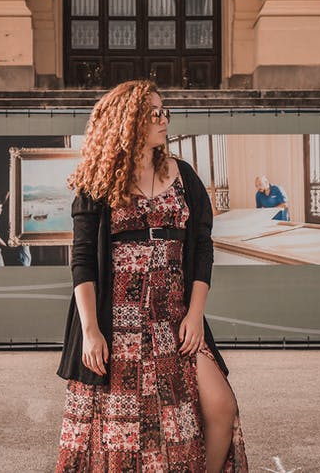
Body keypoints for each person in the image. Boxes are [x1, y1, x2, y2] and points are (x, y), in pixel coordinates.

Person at [56, 80, 246, 472]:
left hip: (173, 320)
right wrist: (91, 330)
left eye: (165, 112)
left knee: (221, 406)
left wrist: (195, 314)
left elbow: (201, 247)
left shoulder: (184, 176)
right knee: (126, 435)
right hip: (118, 325)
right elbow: (83, 261)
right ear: (129, 122)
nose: (164, 120)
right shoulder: (98, 182)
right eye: (154, 113)